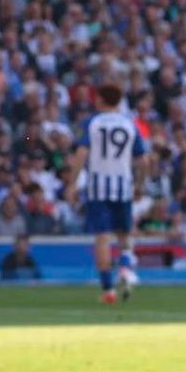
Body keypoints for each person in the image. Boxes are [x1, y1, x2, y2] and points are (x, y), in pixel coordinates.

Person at [70, 83, 147, 303]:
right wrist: (140, 185)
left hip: (97, 188)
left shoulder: (92, 123)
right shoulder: (129, 125)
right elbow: (143, 160)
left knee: (102, 238)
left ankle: (108, 290)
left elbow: (81, 153)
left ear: (102, 100)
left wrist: (72, 184)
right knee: (124, 234)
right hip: (123, 187)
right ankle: (125, 267)